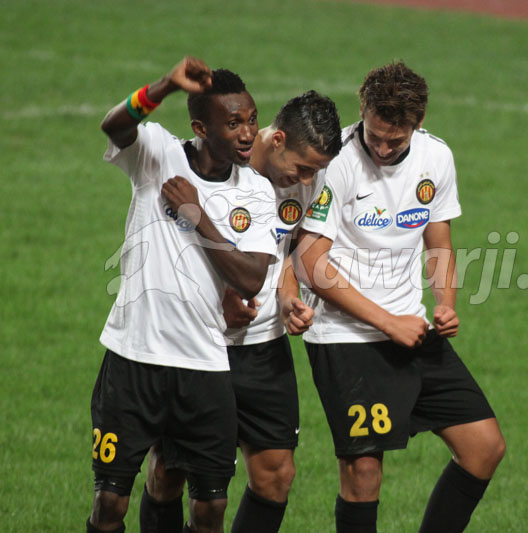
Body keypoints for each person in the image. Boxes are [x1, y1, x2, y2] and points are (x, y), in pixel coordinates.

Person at [293, 61, 506, 533]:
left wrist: (445, 302)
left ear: (419, 123)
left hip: (411, 329)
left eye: (397, 140)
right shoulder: (338, 162)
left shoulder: (437, 158)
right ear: (362, 111)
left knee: (483, 447)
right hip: (346, 337)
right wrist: (388, 323)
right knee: (363, 473)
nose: (384, 149)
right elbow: (310, 263)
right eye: (375, 136)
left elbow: (439, 240)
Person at [140, 91, 343, 533]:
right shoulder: (213, 165)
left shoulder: (312, 181)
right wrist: (223, 292)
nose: (309, 178)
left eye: (317, 170)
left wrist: (288, 299)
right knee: (170, 472)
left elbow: (285, 254)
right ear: (277, 139)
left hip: (262, 346)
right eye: (303, 166)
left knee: (276, 475)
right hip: (197, 343)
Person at [88, 57, 277, 533]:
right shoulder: (157, 154)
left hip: (205, 365)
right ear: (200, 127)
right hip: (134, 358)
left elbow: (252, 278)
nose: (247, 133)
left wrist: (200, 219)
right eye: (233, 123)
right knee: (110, 501)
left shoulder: (255, 191)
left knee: (210, 509)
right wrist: (165, 86)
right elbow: (115, 125)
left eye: (251, 119)